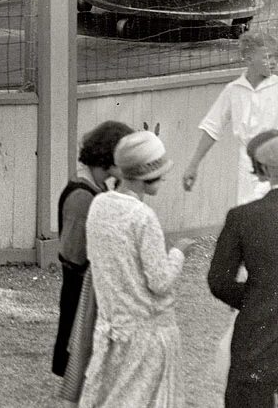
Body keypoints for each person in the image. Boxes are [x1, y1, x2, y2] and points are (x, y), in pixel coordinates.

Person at [77, 131, 184, 408]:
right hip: (145, 336)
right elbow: (159, 282)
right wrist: (178, 254)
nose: (164, 178)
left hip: (111, 331)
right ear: (145, 175)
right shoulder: (143, 216)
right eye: (160, 173)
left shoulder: (99, 204)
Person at [54, 120, 134, 379]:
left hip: (92, 288)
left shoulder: (98, 188)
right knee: (79, 364)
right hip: (81, 290)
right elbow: (73, 256)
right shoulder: (82, 196)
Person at [207, 131, 278, 408]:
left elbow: (219, 281)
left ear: (262, 170)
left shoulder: (242, 217)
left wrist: (258, 298)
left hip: (259, 332)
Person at [181, 30, 278, 207]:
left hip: (274, 163)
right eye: (267, 57)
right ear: (249, 59)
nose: (273, 62)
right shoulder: (233, 90)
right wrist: (193, 165)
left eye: (275, 57)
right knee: (248, 213)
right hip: (247, 166)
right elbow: (212, 127)